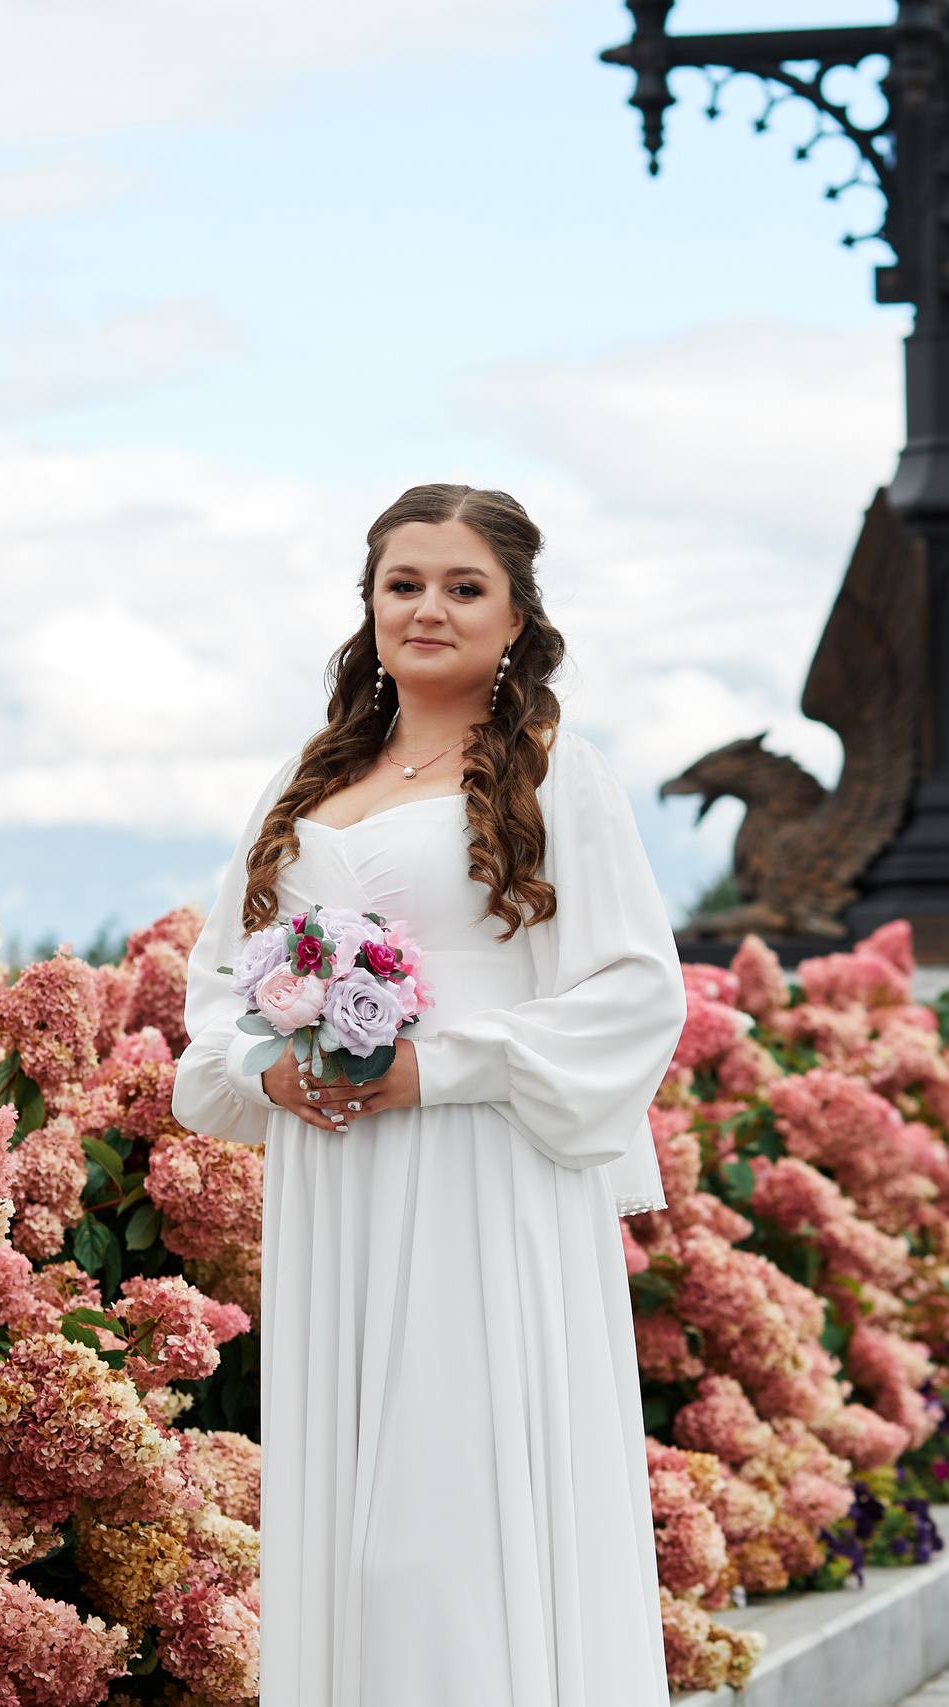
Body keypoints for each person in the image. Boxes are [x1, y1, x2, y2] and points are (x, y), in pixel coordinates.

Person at [172, 483, 685, 1707]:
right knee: (348, 1513)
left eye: (465, 588)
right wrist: (262, 1065)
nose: (430, 609)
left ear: (516, 618)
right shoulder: (306, 780)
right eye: (405, 584)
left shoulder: (559, 776)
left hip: (479, 1172)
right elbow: (213, 987)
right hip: (335, 1173)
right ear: (369, 604)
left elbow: (632, 994)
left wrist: (435, 1066)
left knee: (446, 1499)